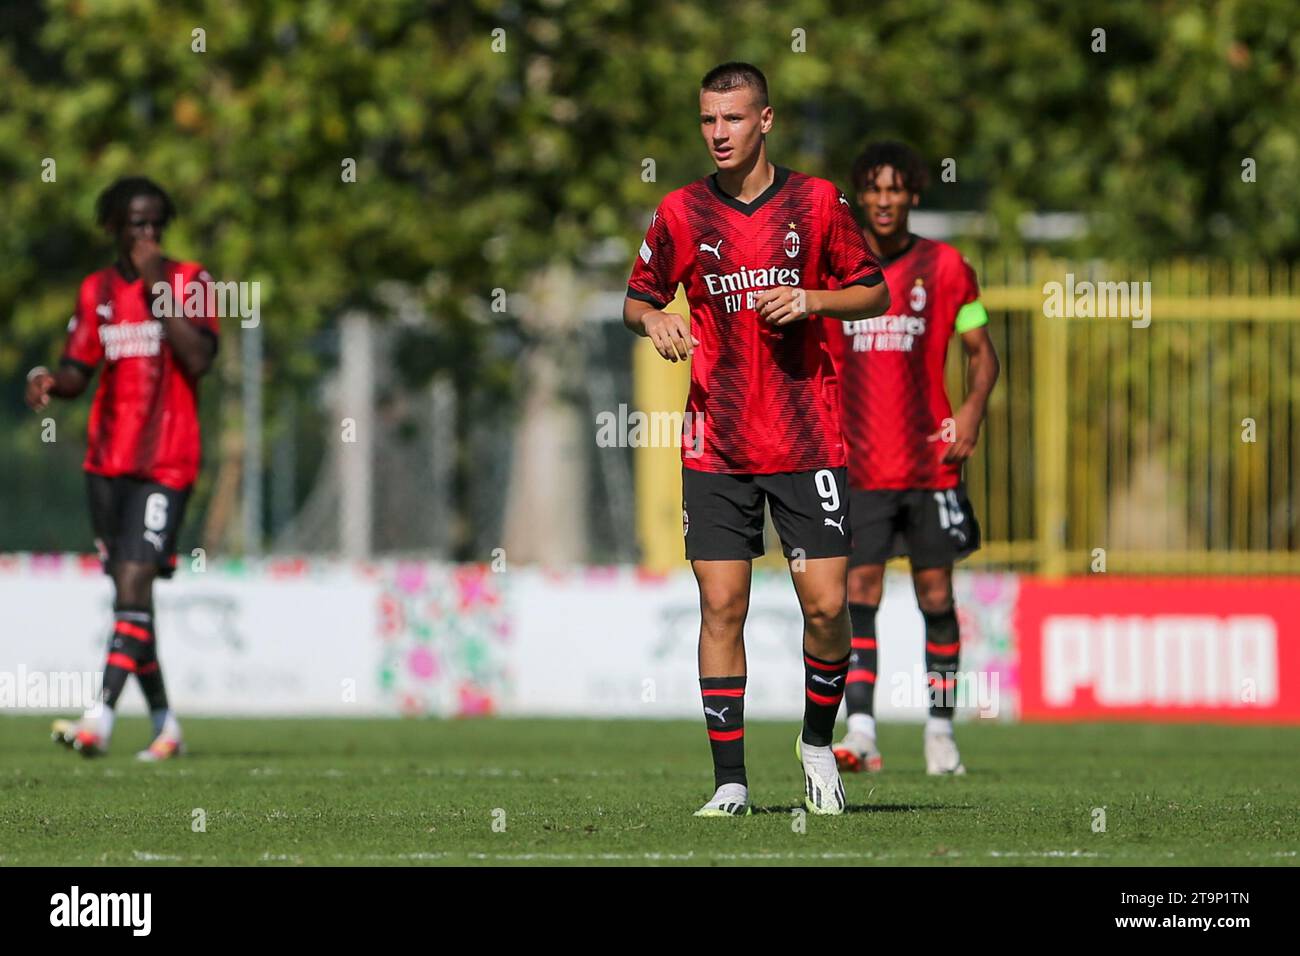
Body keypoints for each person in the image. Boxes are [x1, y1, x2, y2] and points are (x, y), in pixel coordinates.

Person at [623, 63, 888, 815]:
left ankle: (814, 742)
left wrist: (811, 298)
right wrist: (657, 318)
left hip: (806, 438)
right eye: (708, 120)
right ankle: (731, 782)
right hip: (717, 442)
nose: (718, 133)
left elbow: (875, 291)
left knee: (828, 607)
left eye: (733, 119)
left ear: (765, 120)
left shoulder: (818, 202)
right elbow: (636, 300)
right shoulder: (680, 213)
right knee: (721, 606)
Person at [26, 176, 219, 761]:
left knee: (134, 584)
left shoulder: (191, 281)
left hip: (167, 459)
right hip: (106, 463)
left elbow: (200, 357)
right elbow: (79, 367)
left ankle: (98, 720)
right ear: (113, 226)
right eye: (137, 223)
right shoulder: (97, 290)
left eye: (158, 221)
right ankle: (165, 725)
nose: (149, 233)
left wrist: (159, 283)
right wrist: (51, 383)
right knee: (131, 601)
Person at [827, 142, 1000, 775]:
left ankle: (939, 732)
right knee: (857, 592)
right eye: (873, 189)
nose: (883, 199)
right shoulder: (835, 270)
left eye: (895, 189)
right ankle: (864, 730)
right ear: (859, 195)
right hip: (860, 464)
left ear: (914, 195)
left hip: (931, 464)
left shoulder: (947, 267)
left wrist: (973, 413)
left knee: (935, 593)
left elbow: (982, 350)